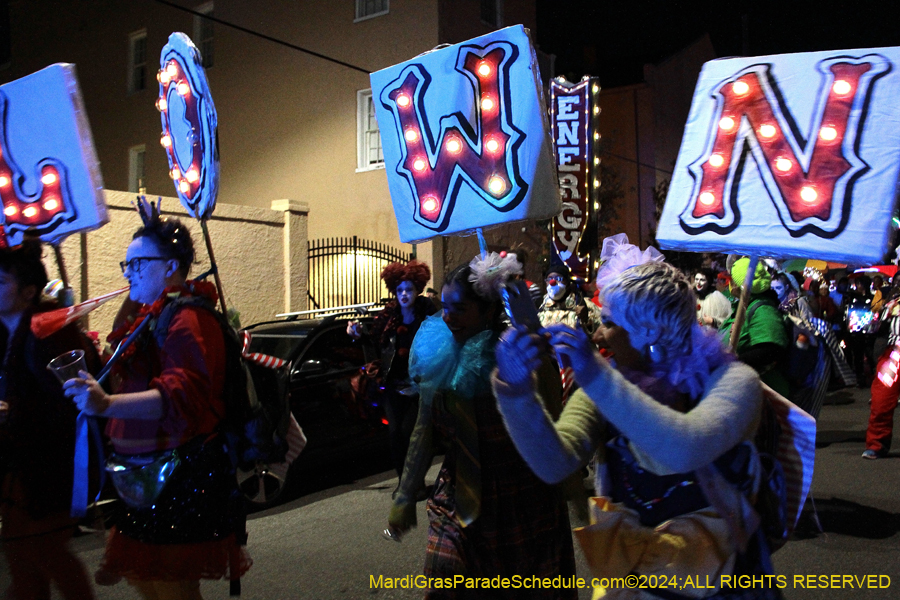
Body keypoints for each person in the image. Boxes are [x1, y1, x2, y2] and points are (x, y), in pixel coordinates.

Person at [493, 260, 778, 599]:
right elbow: (554, 463)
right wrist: (516, 391)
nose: (598, 335)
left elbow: (685, 448)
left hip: (725, 582)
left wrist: (595, 375)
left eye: (609, 323)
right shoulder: (608, 382)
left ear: (650, 330)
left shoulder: (734, 380)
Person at [63, 200, 250, 600]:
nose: (127, 272)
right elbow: (122, 347)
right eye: (126, 264)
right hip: (146, 478)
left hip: (177, 477)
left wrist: (106, 405)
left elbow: (180, 395)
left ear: (170, 267)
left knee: (172, 589)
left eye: (138, 263)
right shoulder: (154, 314)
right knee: (151, 584)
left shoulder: (188, 318)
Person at [387, 253, 576, 599]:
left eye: (459, 309)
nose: (448, 317)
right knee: (443, 584)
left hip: (523, 502)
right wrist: (404, 495)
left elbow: (552, 410)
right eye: (445, 307)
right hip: (458, 497)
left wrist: (532, 336)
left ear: (488, 311)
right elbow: (424, 429)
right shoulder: (437, 353)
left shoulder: (514, 352)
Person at [0, 240, 99, 600]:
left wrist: (15, 411)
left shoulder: (47, 332)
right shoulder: (8, 332)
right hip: (19, 462)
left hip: (52, 463)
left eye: (1, 282)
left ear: (28, 291)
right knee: (20, 554)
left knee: (45, 550)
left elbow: (72, 400)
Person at [347, 260, 436, 488]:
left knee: (412, 434)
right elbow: (374, 340)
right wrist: (357, 333)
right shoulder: (388, 315)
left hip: (420, 385)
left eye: (409, 289)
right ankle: (404, 483)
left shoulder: (428, 312)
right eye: (400, 290)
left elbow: (440, 339)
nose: (404, 294)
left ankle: (415, 482)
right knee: (395, 434)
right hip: (393, 385)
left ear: (418, 289)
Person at [721, 258, 790, 398]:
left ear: (741, 285)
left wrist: (734, 362)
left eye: (733, 279)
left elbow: (770, 349)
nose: (730, 283)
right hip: (742, 389)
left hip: (763, 393)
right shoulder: (744, 306)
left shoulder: (763, 309)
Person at [863, 296, 900, 459]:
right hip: (894, 354)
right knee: (881, 400)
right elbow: (878, 330)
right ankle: (877, 444)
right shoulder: (894, 303)